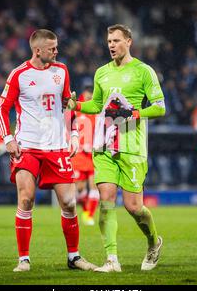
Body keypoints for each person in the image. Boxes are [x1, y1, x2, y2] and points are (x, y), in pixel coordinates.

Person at [67, 24, 166, 272]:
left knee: (133, 207)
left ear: (129, 41)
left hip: (132, 146)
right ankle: (111, 260)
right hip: (104, 146)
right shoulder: (101, 72)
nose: (111, 45)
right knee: (106, 200)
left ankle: (154, 241)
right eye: (109, 41)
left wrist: (134, 113)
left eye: (116, 40)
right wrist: (76, 105)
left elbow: (160, 107)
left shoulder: (144, 71)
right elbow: (97, 106)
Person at [0, 29, 96, 272]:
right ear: (37, 50)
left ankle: (74, 257)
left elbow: (68, 105)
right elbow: (1, 108)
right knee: (26, 199)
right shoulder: (19, 74)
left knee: (70, 203)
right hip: (27, 147)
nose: (56, 51)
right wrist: (8, 138)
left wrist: (73, 135)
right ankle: (23, 260)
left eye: (56, 47)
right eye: (52, 47)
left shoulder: (61, 71)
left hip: (56, 147)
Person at [71, 86, 99, 226]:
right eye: (88, 94)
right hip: (79, 155)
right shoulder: (76, 110)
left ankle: (89, 215)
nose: (90, 97)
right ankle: (86, 210)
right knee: (80, 189)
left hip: (93, 155)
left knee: (94, 186)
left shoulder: (96, 112)